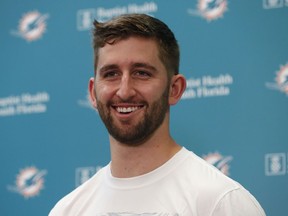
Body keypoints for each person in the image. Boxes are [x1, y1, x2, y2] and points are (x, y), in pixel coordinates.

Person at [49, 13, 266, 216]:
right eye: (111, 74)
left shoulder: (221, 203)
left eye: (141, 73)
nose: (124, 90)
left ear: (174, 89)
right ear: (93, 92)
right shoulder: (68, 210)